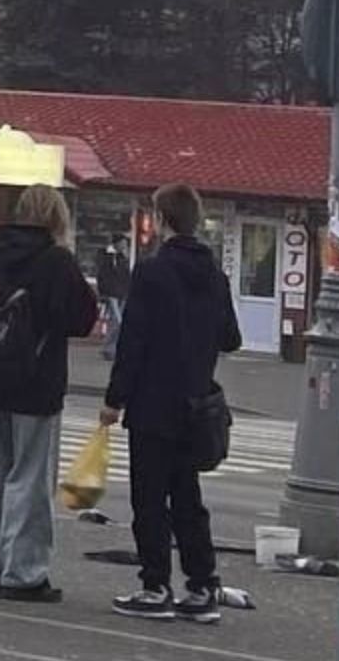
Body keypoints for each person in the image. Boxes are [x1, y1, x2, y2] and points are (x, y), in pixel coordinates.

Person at [102, 183, 241, 623]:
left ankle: (155, 585)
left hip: (152, 404)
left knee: (149, 499)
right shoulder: (215, 276)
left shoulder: (152, 272)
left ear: (161, 220)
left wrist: (114, 399)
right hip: (197, 404)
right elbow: (231, 338)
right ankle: (202, 586)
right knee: (187, 498)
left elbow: (134, 341)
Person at [0, 184, 99, 603]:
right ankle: (23, 572)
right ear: (56, 218)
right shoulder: (56, 261)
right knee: (30, 477)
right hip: (37, 380)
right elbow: (80, 319)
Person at [96, 235, 132, 361]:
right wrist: (104, 291)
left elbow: (126, 276)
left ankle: (110, 348)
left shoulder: (124, 258)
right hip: (113, 294)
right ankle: (109, 348)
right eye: (122, 244)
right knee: (117, 321)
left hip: (122, 293)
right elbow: (103, 275)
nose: (124, 246)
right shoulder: (110, 258)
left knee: (115, 321)